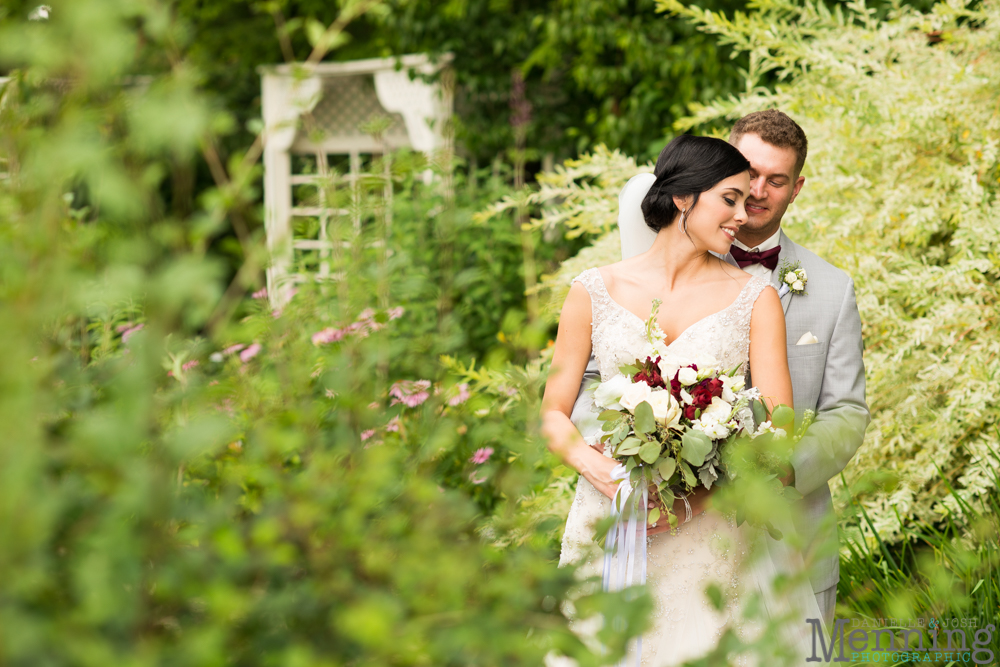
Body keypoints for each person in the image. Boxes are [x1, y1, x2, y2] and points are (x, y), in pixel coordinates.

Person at [542, 134, 822, 665]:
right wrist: (601, 473)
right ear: (683, 198)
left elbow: (780, 434)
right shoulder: (591, 291)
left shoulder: (756, 299)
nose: (744, 214)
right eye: (730, 199)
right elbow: (553, 414)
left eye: (747, 200)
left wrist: (701, 499)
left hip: (706, 539)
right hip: (608, 521)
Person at [725, 109, 870, 629]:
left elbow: (848, 411)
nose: (758, 190)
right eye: (748, 171)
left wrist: (790, 467)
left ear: (797, 188)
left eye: (776, 180)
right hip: (684, 538)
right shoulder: (667, 274)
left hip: (795, 538)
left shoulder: (832, 289)